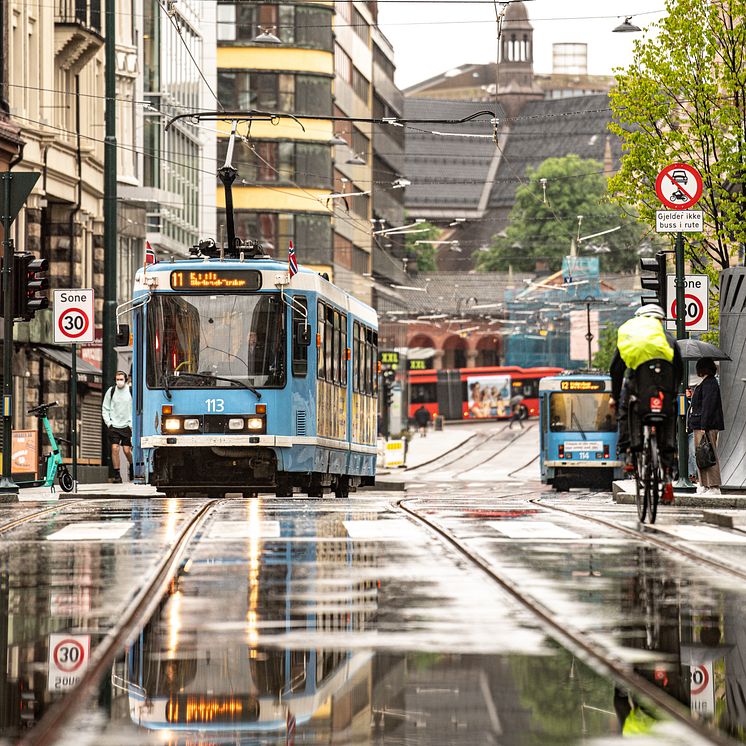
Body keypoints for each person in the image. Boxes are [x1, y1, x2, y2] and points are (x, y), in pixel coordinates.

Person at [609, 304, 683, 500]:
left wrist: (614, 398)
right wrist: (673, 393)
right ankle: (667, 475)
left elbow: (616, 369)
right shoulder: (668, 338)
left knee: (628, 405)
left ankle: (629, 452)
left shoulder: (632, 334)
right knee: (668, 415)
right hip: (664, 391)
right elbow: (679, 369)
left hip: (638, 392)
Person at [689, 357, 724, 494]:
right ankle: (704, 484)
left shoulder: (710, 383)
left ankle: (714, 486)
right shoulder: (706, 382)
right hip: (701, 425)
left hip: (706, 426)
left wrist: (704, 425)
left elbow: (708, 406)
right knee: (702, 455)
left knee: (709, 454)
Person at [102, 370, 133, 484]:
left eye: (121, 379)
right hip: (114, 425)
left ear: (125, 380)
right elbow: (105, 408)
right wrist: (109, 423)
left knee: (126, 450)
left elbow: (135, 408)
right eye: (117, 379)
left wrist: (131, 424)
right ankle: (117, 475)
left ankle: (132, 465)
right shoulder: (111, 391)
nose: (119, 381)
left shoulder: (130, 391)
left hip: (127, 426)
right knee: (115, 449)